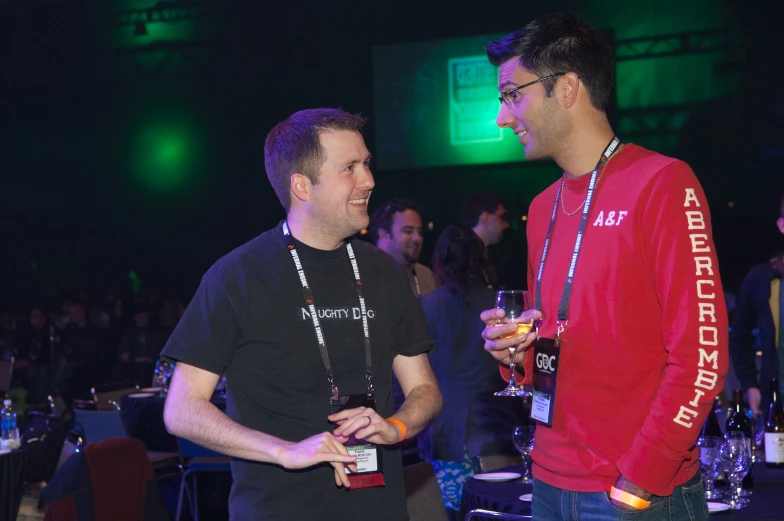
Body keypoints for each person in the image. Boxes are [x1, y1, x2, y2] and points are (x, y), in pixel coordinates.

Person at [479, 13, 728, 519]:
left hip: (632, 490)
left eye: (512, 95)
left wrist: (642, 476)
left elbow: (702, 355)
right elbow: (556, 335)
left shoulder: (663, 183)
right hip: (548, 481)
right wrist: (517, 352)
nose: (503, 117)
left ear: (567, 88)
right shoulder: (543, 207)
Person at [161, 108, 442, 521]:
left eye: (366, 164)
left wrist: (395, 427)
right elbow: (182, 410)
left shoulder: (383, 271)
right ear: (301, 186)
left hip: (380, 509)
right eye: (350, 167)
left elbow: (426, 391)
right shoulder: (236, 277)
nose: (368, 180)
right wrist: (284, 450)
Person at [418, 225, 519, 514]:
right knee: (495, 512)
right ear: (481, 259)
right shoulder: (499, 307)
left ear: (438, 260)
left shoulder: (424, 306)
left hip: (443, 435)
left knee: (455, 512)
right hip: (495, 430)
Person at [730, 195, 784, 415]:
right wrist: (750, 384)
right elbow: (740, 335)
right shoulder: (762, 278)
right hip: (776, 399)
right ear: (782, 225)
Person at [370, 197, 439, 298]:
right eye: (408, 231)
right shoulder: (360, 275)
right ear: (384, 234)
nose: (417, 238)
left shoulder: (427, 276)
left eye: (419, 232)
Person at [459, 192, 509, 288]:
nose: (506, 224)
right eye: (502, 217)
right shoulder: (460, 255)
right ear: (485, 217)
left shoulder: (485, 255)